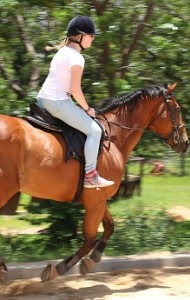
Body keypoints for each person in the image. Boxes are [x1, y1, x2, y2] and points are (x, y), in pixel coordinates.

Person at [37, 15, 114, 189]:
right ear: (80, 36)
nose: (93, 38)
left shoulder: (62, 51)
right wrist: (87, 109)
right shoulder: (77, 58)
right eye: (91, 35)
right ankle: (90, 175)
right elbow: (75, 90)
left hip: (42, 99)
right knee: (95, 130)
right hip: (57, 102)